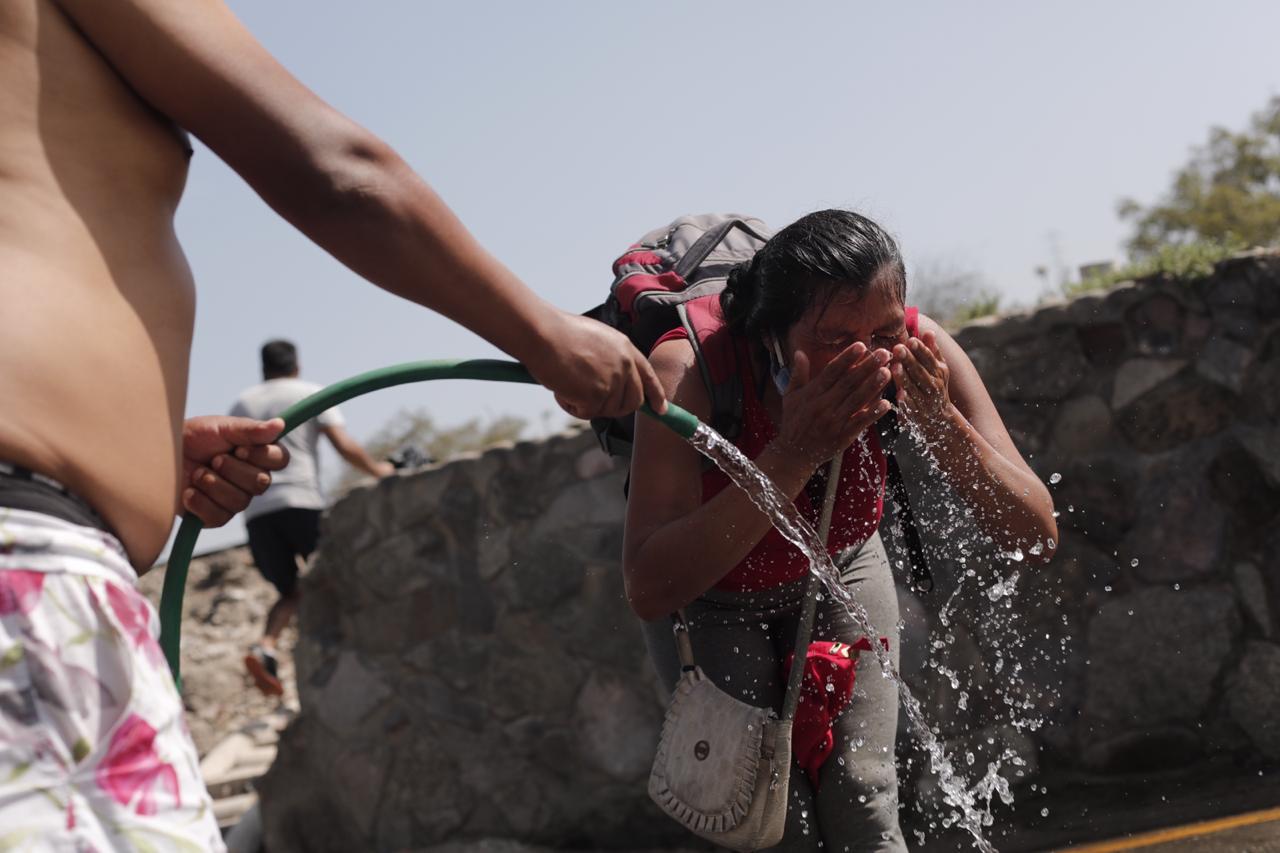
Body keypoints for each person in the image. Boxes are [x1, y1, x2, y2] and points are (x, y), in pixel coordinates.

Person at [0, 0, 665, 847]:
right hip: (29, 566)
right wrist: (544, 333)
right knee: (308, 585)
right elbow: (334, 167)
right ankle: (276, 643)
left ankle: (270, 642)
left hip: (66, 532)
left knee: (294, 587)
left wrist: (136, 454)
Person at [623, 210, 1057, 852]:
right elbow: (648, 588)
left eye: (884, 331)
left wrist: (941, 424)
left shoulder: (917, 348)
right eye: (834, 338)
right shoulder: (686, 373)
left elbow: (1035, 534)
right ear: (771, 335)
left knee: (862, 793)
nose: (869, 356)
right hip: (713, 603)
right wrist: (794, 454)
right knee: (777, 823)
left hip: (842, 567)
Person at [232, 339, 394, 695]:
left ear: (263, 368)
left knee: (290, 591)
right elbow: (343, 445)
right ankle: (354, 648)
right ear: (297, 365)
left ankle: (266, 646)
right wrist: (379, 470)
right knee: (333, 576)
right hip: (300, 500)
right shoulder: (309, 393)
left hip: (257, 512)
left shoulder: (243, 404)